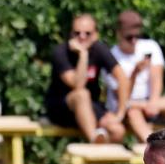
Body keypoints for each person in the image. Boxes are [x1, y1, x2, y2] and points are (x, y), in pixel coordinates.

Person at [104, 10, 165, 143]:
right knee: (133, 112)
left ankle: (141, 107)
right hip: (126, 106)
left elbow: (156, 78)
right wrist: (135, 73)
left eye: (137, 36)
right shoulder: (110, 57)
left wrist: (153, 103)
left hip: (151, 104)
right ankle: (154, 146)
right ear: (118, 33)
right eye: (129, 37)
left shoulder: (150, 46)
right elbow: (122, 95)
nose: (134, 41)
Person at [45, 13, 130, 143]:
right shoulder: (61, 52)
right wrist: (83, 54)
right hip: (62, 109)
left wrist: (120, 114)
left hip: (90, 107)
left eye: (87, 33)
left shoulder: (99, 49)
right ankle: (94, 140)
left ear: (96, 35)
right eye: (77, 33)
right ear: (71, 34)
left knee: (117, 130)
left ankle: (100, 152)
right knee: (82, 94)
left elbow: (122, 78)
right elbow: (78, 85)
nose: (82, 37)